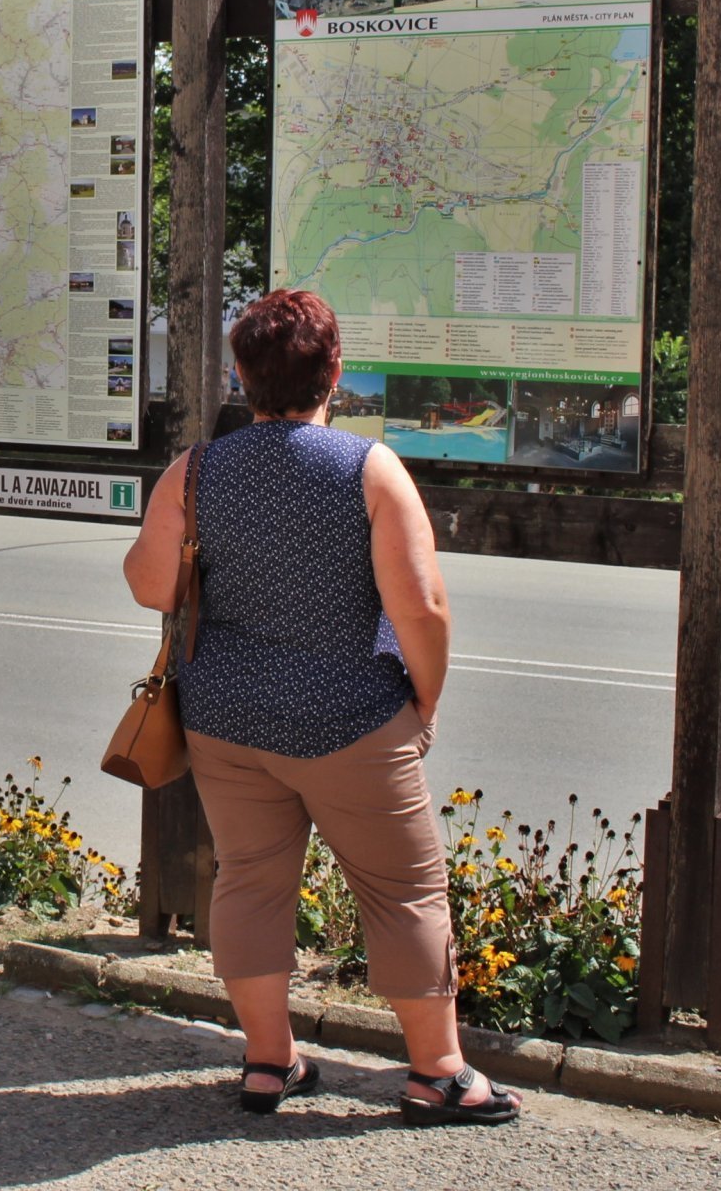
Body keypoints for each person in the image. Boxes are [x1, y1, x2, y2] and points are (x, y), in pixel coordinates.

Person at [121, 289, 520, 1125]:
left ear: (241, 376)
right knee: (405, 890)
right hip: (352, 719)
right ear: (334, 371)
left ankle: (269, 1063)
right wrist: (424, 704)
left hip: (227, 721)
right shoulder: (369, 469)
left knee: (252, 882)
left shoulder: (195, 470)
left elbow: (152, 584)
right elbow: (423, 609)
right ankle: (439, 1073)